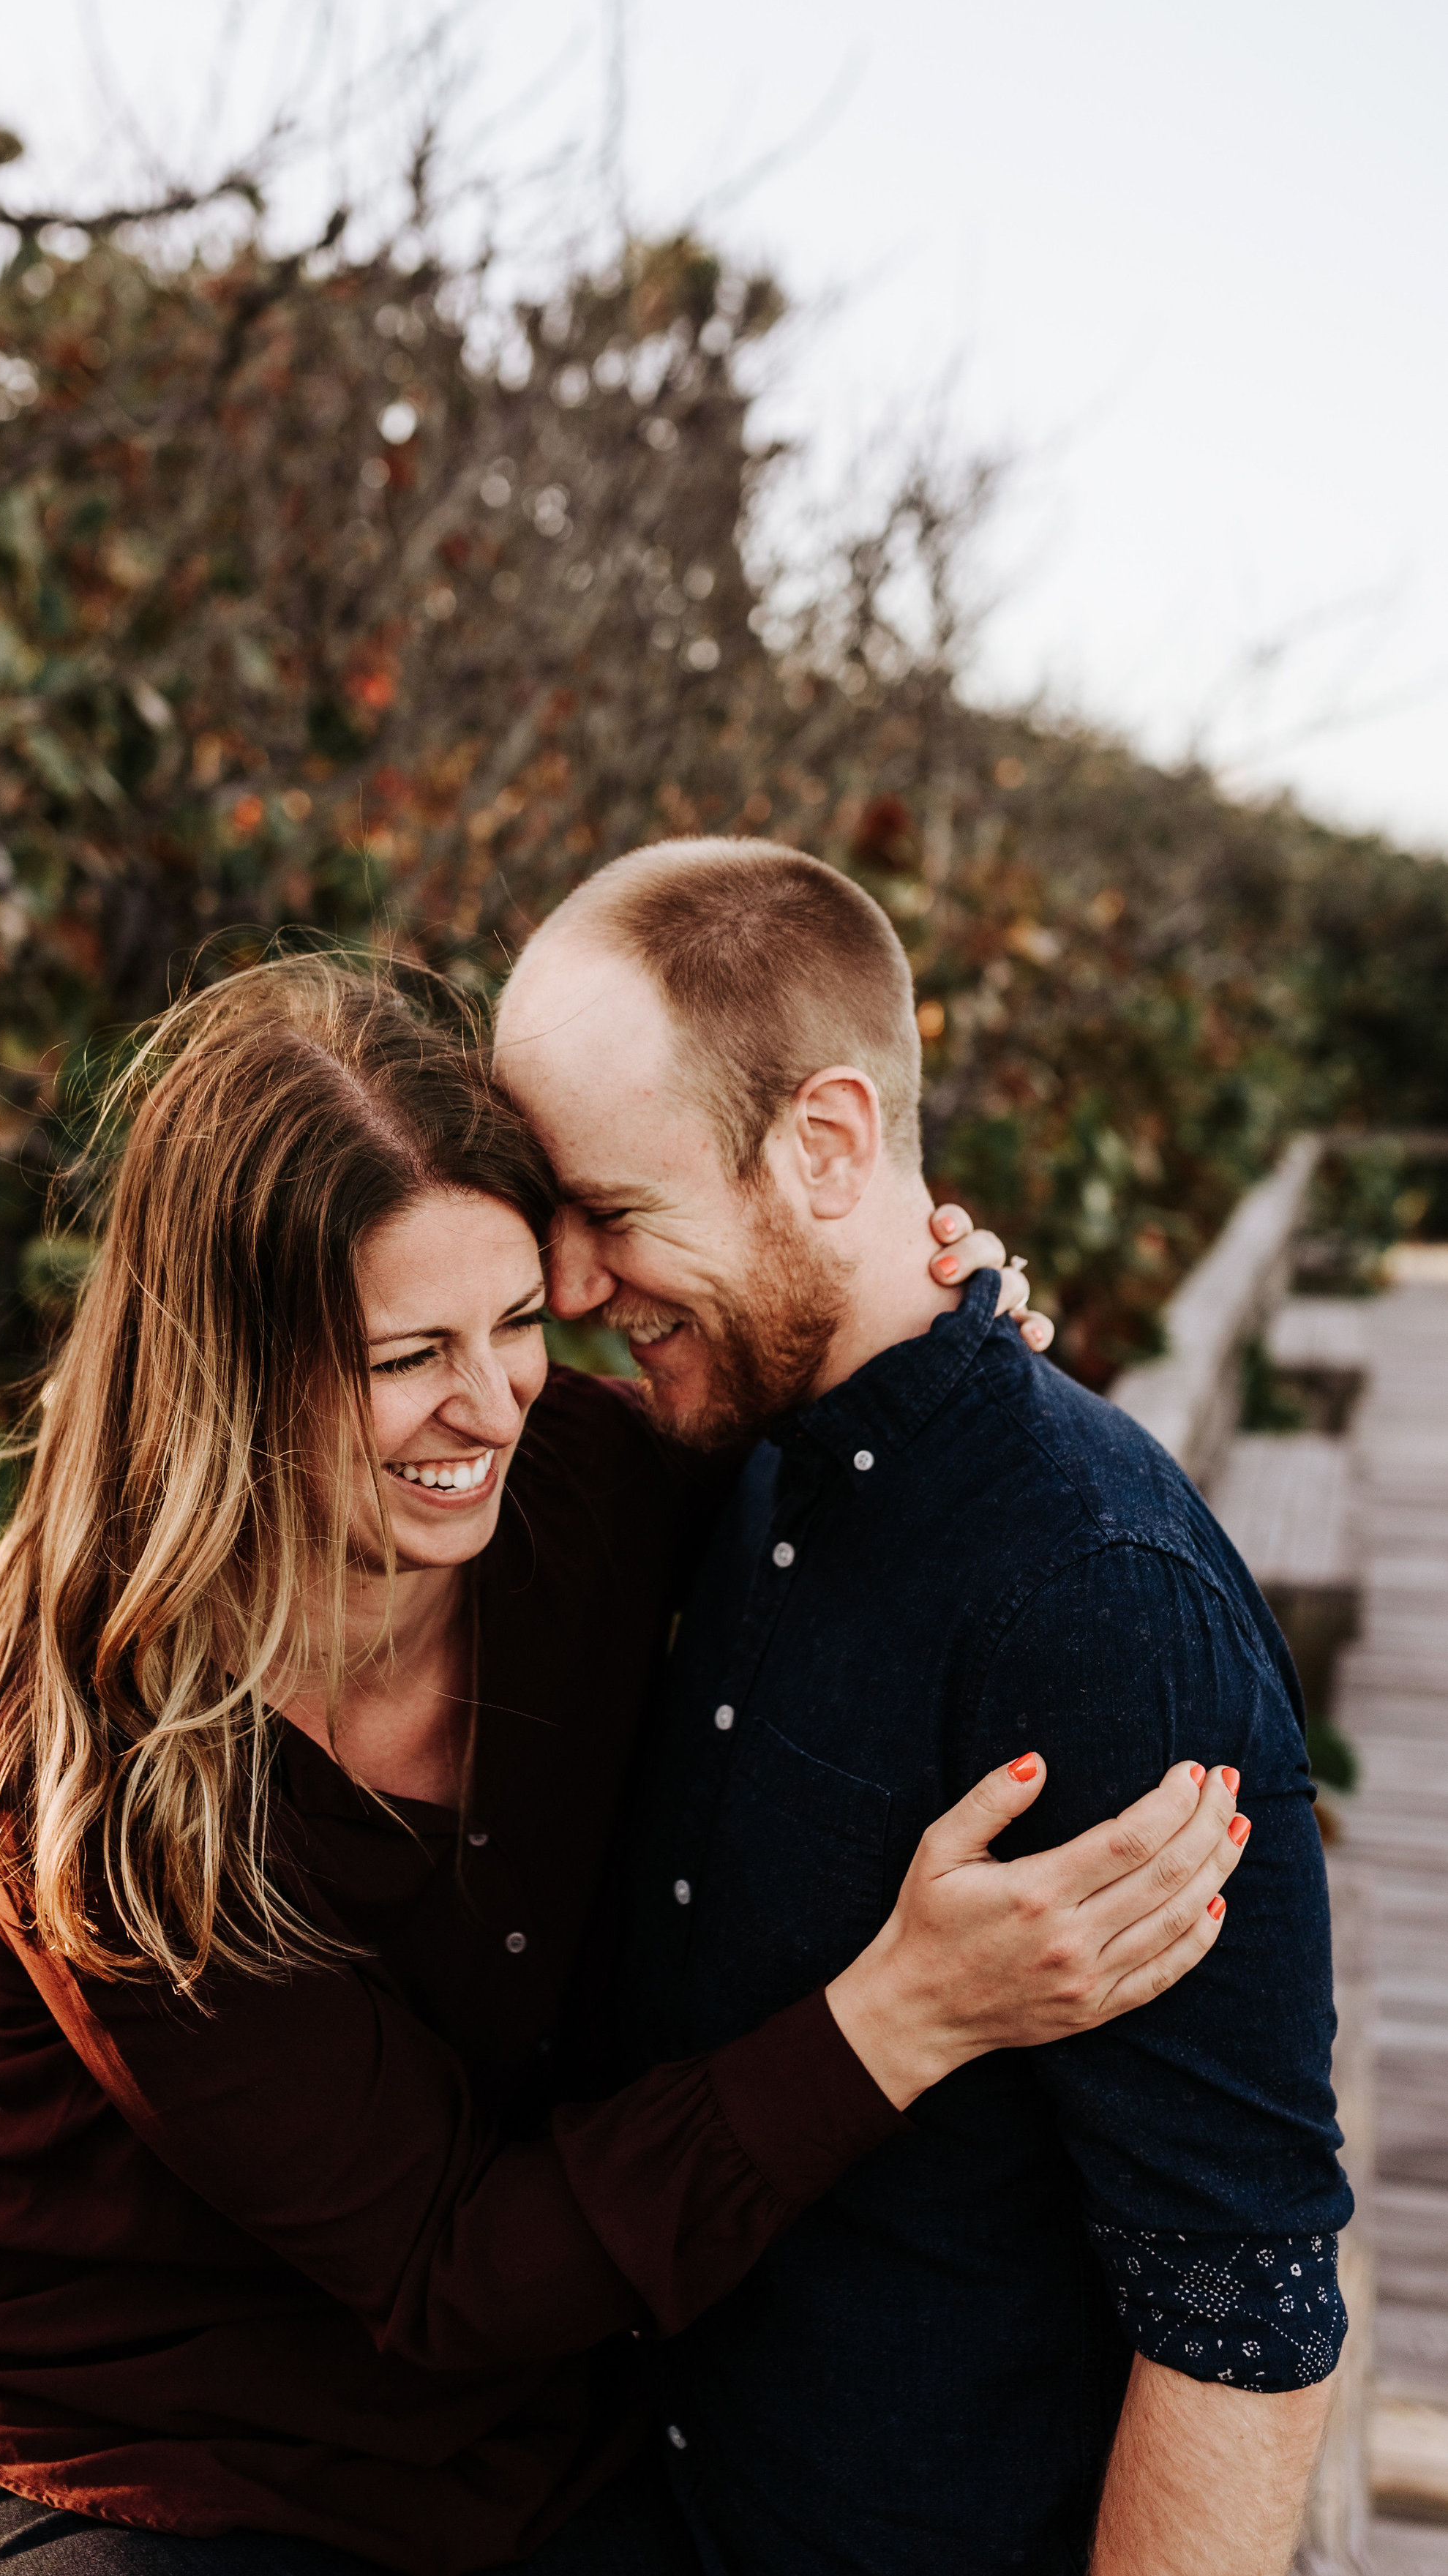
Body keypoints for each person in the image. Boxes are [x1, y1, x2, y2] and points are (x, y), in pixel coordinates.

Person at [0, 956, 1248, 2576]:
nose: (488, 1404)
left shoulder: (580, 1492)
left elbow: (853, 1445)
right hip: (136, 2461)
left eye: (514, 1321)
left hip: (536, 2445)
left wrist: (928, 1311)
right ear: (224, 1370)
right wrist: (900, 2016)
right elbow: (446, 2260)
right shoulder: (89, 1754)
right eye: (401, 1355)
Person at [492, 839, 1352, 2576]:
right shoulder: (728, 1458)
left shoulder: (1093, 1599)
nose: (572, 1287)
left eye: (612, 1212)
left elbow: (1236, 2303)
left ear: (824, 1145)